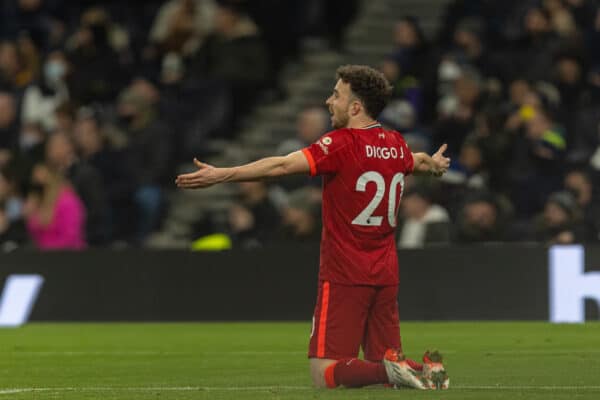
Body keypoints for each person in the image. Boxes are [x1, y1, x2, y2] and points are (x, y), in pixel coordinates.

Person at [176, 65, 451, 390]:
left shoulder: (340, 143)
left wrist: (222, 174)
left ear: (355, 107)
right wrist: (433, 165)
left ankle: (391, 370)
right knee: (381, 362)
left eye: (336, 94)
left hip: (345, 272)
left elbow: (281, 165)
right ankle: (423, 368)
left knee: (325, 374)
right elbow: (415, 161)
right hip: (386, 272)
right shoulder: (395, 143)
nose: (328, 101)